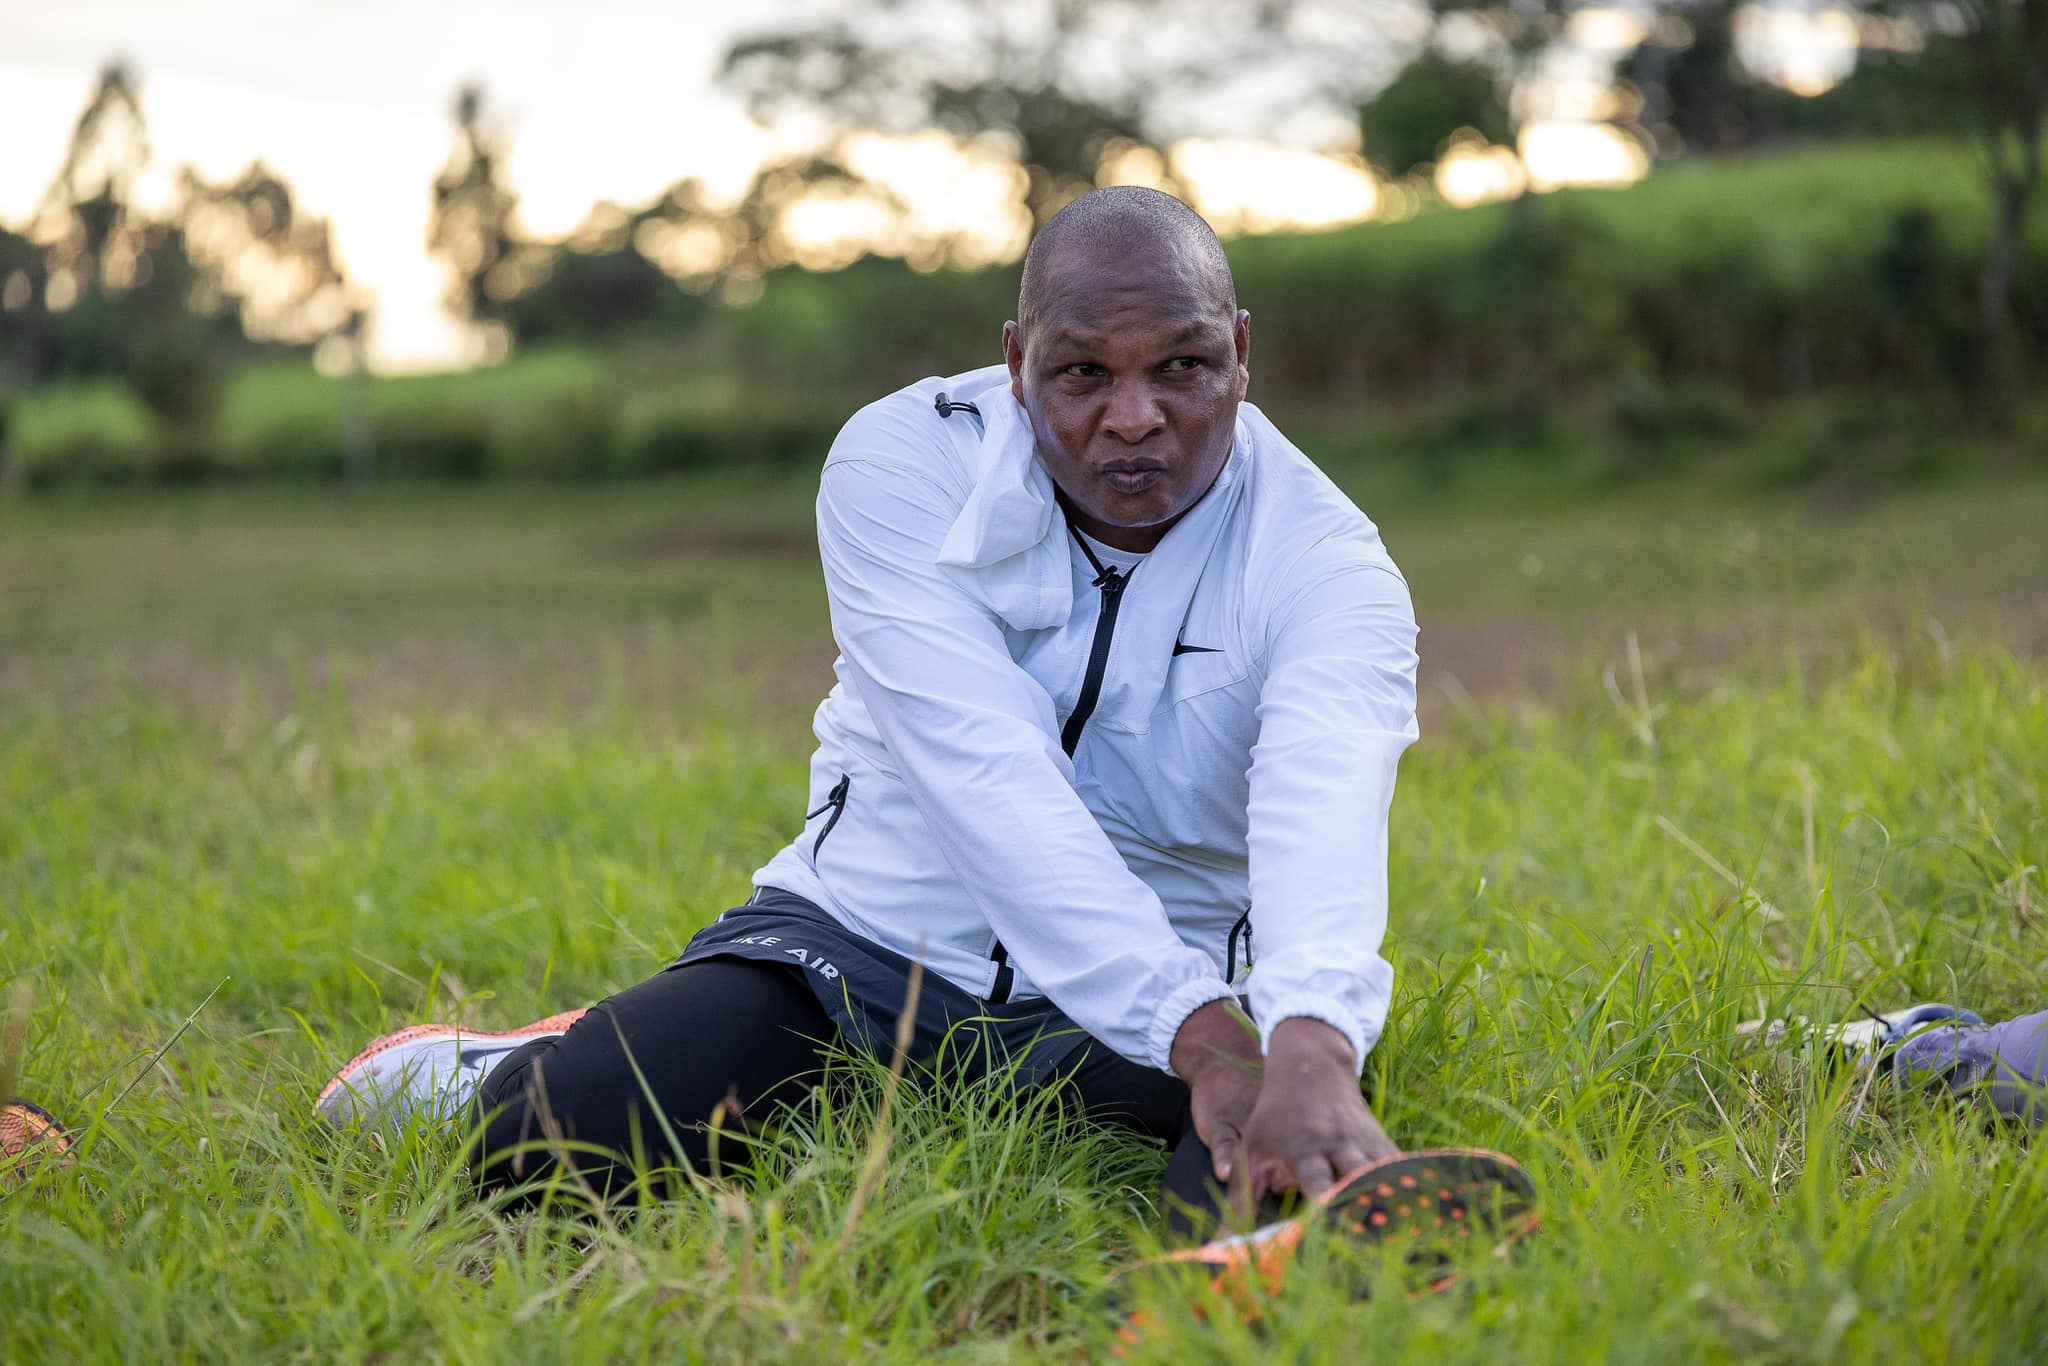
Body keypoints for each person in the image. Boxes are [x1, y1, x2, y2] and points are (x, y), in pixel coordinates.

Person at [318, 186, 1423, 1236]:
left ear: (1240, 352)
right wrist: (1205, 1044)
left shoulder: (1325, 561)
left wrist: (1307, 1041)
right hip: (865, 947)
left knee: (1275, 1173)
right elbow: (983, 772)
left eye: (1182, 365)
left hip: (1170, 979)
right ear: (1015, 363)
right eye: (1082, 373)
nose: (1133, 418)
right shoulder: (906, 461)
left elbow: (1322, 800)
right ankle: (509, 1062)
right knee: (560, 1141)